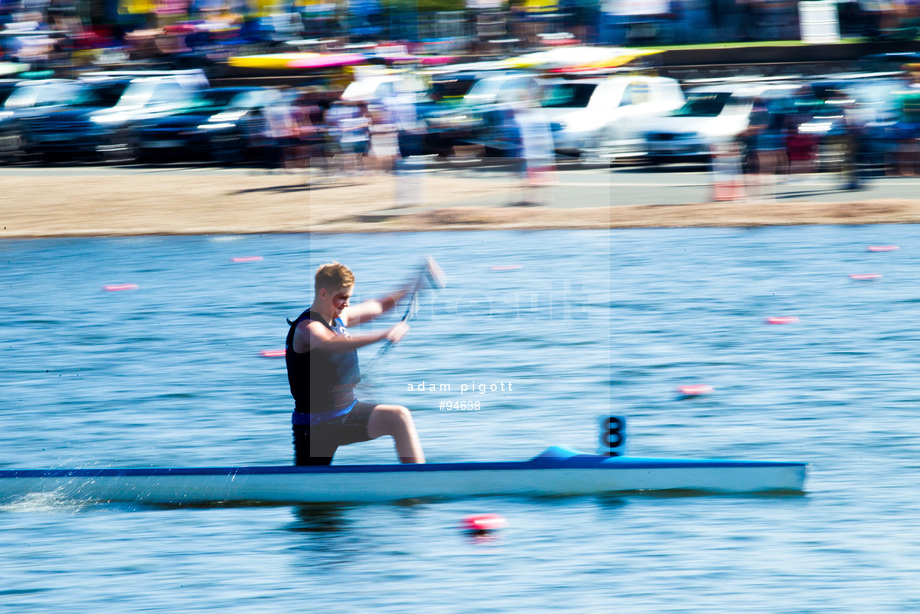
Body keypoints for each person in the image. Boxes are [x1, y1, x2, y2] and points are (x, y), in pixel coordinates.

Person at [286, 262, 426, 466]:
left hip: (347, 414)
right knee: (311, 491)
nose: (347, 304)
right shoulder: (307, 328)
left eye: (349, 297)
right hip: (315, 427)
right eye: (342, 297)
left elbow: (380, 306)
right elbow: (330, 343)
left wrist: (413, 285)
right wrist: (384, 334)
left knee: (399, 417)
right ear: (323, 293)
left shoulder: (340, 317)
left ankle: (419, 481)